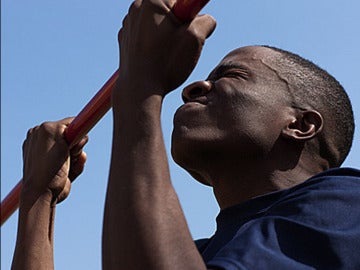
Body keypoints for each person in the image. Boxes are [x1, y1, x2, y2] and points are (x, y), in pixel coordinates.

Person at [12, 0, 360, 269]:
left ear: (300, 125)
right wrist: (37, 197)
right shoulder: (196, 253)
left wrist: (139, 86)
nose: (193, 87)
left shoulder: (349, 205)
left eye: (233, 74)